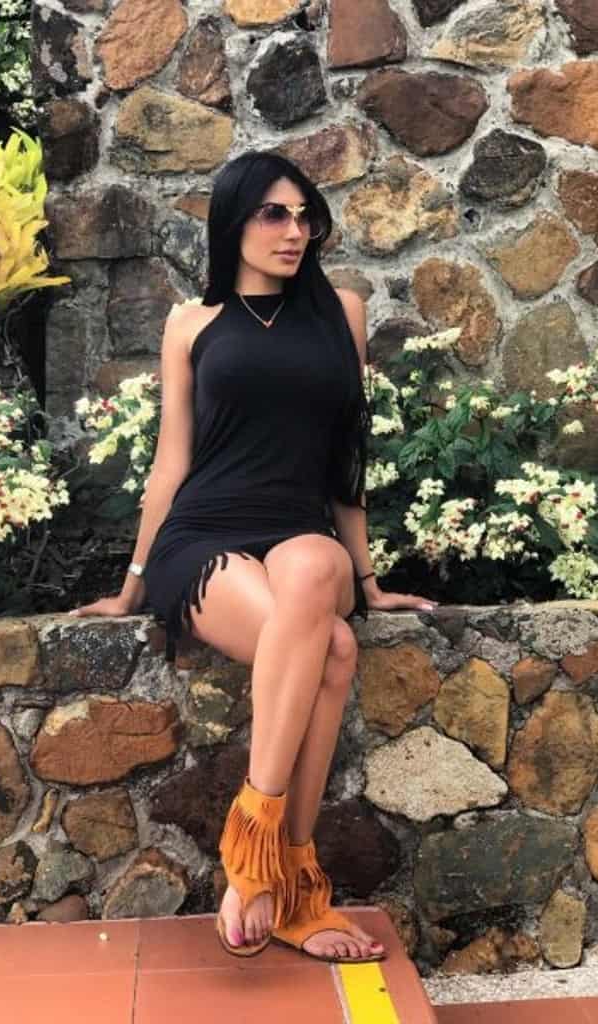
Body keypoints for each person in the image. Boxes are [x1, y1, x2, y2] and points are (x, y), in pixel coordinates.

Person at [71, 152, 437, 964]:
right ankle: (293, 880)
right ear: (233, 221)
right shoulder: (191, 324)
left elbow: (346, 456)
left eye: (305, 216)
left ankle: (252, 847)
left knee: (315, 574)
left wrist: (369, 580)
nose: (294, 231)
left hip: (298, 527)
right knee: (330, 648)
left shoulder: (340, 312)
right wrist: (131, 586)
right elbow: (171, 461)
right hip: (206, 533)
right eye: (274, 213)